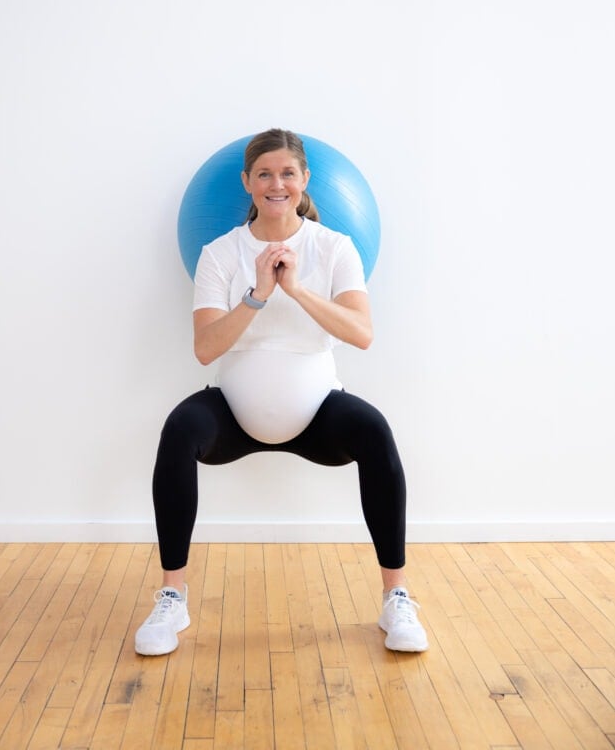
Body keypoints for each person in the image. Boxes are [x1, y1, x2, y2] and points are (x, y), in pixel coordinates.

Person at [135, 128, 428, 656]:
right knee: (180, 429)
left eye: (287, 173)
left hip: (316, 412)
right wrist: (257, 296)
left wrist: (295, 288)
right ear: (246, 182)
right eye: (265, 174)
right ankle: (172, 597)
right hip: (235, 412)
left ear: (305, 180)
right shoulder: (219, 253)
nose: (277, 184)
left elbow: (361, 334)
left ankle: (397, 596)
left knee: (374, 431)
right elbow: (205, 348)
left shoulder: (333, 248)